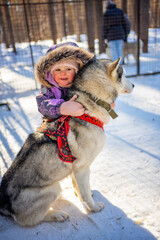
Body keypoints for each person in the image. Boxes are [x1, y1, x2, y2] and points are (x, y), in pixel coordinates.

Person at [35, 42, 94, 120]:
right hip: (58, 128)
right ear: (51, 73)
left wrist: (108, 107)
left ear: (78, 71)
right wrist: (61, 107)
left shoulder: (86, 85)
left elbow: (98, 96)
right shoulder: (50, 88)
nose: (62, 73)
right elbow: (42, 104)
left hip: (84, 127)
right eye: (58, 69)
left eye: (68, 69)